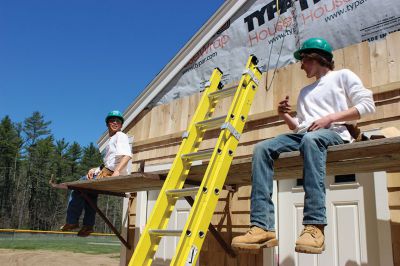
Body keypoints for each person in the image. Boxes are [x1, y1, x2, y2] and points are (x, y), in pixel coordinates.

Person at [231, 38, 376, 254]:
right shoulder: (305, 92)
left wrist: (330, 119)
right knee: (262, 149)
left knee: (311, 139)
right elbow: (301, 129)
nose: (301, 66)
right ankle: (262, 227)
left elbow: (367, 105)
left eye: (304, 61)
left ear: (316, 58)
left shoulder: (342, 76)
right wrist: (285, 115)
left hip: (334, 133)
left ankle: (315, 225)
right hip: (308, 135)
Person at [60, 110, 132, 237]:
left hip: (112, 173)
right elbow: (110, 162)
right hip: (106, 171)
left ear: (121, 125)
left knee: (77, 188)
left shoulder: (121, 136)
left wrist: (117, 171)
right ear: (107, 124)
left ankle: (72, 221)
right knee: (90, 195)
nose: (115, 122)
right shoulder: (111, 140)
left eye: (118, 121)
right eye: (112, 120)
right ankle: (88, 226)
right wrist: (95, 169)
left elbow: (127, 156)